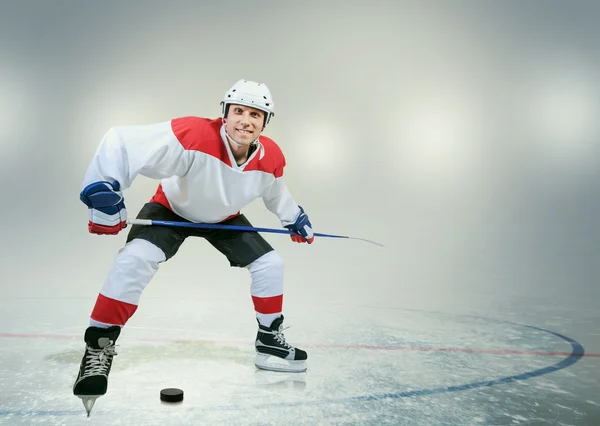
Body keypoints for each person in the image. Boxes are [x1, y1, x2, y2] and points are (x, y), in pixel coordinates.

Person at [72, 79, 314, 416]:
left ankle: (269, 342)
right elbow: (121, 141)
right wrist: (104, 187)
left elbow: (275, 192)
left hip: (226, 218)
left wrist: (295, 217)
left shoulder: (271, 155)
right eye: (239, 111)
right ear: (225, 114)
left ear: (265, 122)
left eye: (255, 115)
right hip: (171, 211)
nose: (246, 120)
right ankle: (98, 347)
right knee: (134, 260)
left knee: (270, 265)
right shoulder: (192, 135)